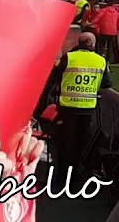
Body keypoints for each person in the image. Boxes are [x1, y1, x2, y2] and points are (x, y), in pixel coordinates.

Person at [46, 32, 111, 173]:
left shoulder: (68, 57)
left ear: (78, 43)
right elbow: (107, 83)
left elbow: (53, 78)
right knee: (81, 144)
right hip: (87, 109)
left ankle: (61, 177)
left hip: (67, 108)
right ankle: (75, 176)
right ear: (93, 45)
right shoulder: (101, 60)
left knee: (65, 143)